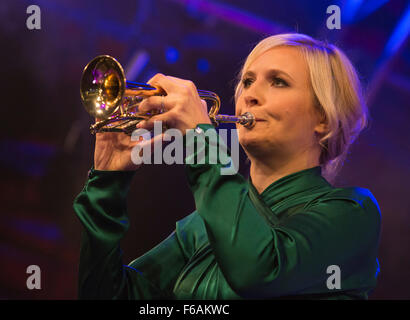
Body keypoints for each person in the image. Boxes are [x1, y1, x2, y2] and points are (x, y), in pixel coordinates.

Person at [73, 33, 381, 299]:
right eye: (247, 81)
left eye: (278, 82)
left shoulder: (354, 212)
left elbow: (258, 270)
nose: (250, 95)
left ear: (323, 118)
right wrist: (107, 183)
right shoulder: (200, 226)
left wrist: (198, 138)